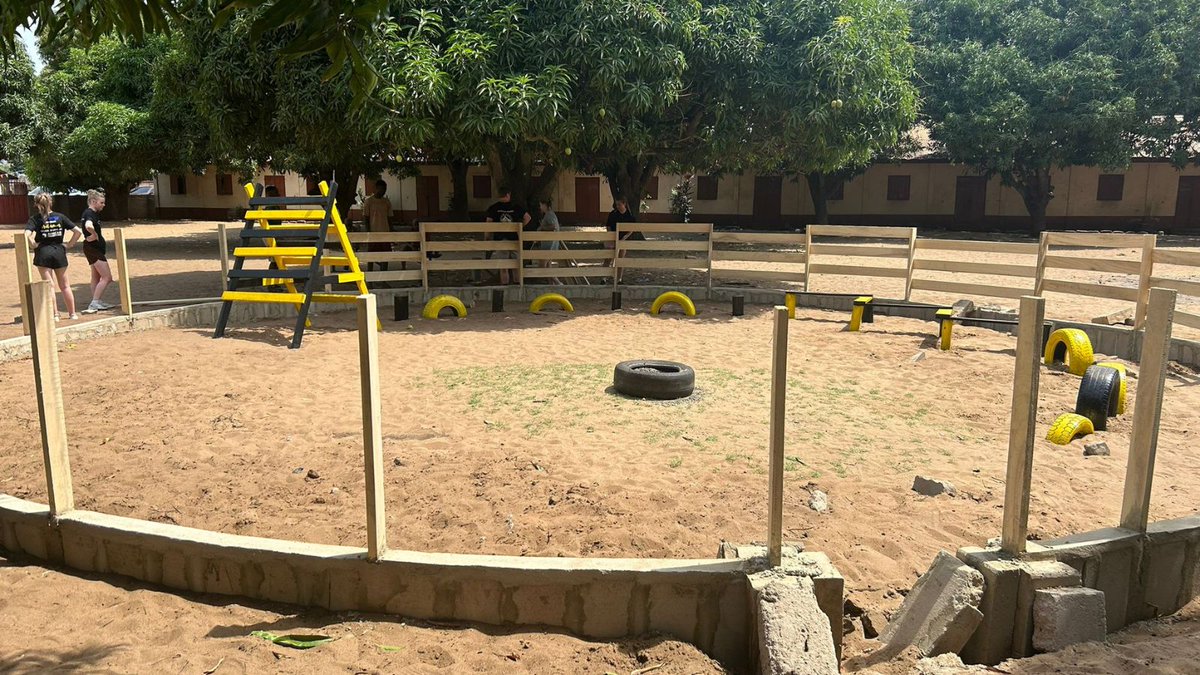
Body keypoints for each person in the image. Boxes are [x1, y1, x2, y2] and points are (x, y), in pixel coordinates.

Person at [25, 193, 83, 320]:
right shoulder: (60, 217)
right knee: (65, 285)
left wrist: (33, 244)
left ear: (36, 204)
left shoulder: (35, 219)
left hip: (43, 253)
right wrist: (69, 245)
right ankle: (72, 314)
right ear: (51, 203)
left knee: (49, 285)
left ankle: (55, 314)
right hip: (59, 252)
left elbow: (26, 234)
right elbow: (78, 231)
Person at [79, 189, 116, 313]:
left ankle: (97, 300)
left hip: (93, 249)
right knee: (107, 277)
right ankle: (94, 302)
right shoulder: (89, 214)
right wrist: (94, 234)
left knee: (96, 276)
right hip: (93, 249)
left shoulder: (91, 213)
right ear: (93, 201)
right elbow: (88, 226)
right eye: (101, 202)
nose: (103, 205)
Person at [484, 187, 531, 284]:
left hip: (500, 240)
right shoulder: (516, 207)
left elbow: (488, 223)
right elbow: (528, 217)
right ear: (508, 194)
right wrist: (520, 227)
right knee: (516, 265)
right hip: (514, 239)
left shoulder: (494, 208)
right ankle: (517, 286)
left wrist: (487, 238)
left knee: (503, 267)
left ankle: (504, 287)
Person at [362, 179, 393, 272]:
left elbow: (390, 217)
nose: (383, 191)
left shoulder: (386, 202)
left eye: (385, 189)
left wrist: (392, 231)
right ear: (376, 189)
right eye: (381, 189)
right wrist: (368, 232)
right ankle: (370, 279)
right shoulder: (369, 202)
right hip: (373, 232)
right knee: (371, 256)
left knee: (385, 256)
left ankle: (383, 278)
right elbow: (366, 217)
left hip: (385, 233)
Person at [605, 197, 636, 281]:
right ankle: (603, 277)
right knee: (608, 258)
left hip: (623, 240)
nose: (617, 206)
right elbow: (608, 226)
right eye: (616, 204)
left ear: (624, 204)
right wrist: (610, 237)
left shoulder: (629, 216)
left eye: (619, 204)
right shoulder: (613, 214)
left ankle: (619, 279)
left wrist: (624, 238)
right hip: (612, 238)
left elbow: (631, 229)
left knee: (620, 260)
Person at [537, 198, 562, 284]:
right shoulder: (549, 214)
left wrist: (541, 228)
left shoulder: (549, 215)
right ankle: (551, 284)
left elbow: (553, 227)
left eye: (540, 205)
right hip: (549, 243)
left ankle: (557, 282)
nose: (540, 207)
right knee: (548, 265)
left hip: (549, 244)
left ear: (545, 205)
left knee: (542, 265)